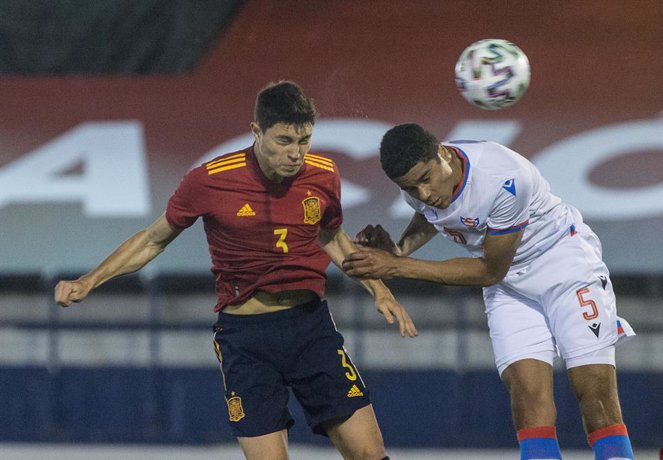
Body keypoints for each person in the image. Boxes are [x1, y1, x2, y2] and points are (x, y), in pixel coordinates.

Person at [54, 81, 417, 460]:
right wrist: (89, 281)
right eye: (284, 141)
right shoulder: (208, 180)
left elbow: (333, 237)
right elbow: (152, 240)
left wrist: (381, 291)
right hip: (246, 339)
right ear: (257, 131)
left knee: (370, 454)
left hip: (311, 329)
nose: (296, 153)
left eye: (304, 140)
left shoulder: (323, 175)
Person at [342, 123, 636, 460]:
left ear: (442, 152)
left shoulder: (506, 179)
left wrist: (395, 267)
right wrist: (398, 249)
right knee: (528, 401)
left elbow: (489, 270)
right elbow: (434, 215)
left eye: (425, 179)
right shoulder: (418, 183)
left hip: (564, 266)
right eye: (410, 187)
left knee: (595, 396)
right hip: (510, 287)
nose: (422, 193)